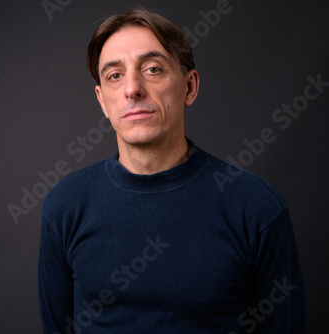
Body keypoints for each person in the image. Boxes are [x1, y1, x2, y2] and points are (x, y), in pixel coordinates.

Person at [38, 8, 306, 334]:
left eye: (153, 69)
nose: (132, 89)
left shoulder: (257, 207)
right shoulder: (65, 206)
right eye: (115, 75)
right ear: (103, 101)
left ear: (189, 87)